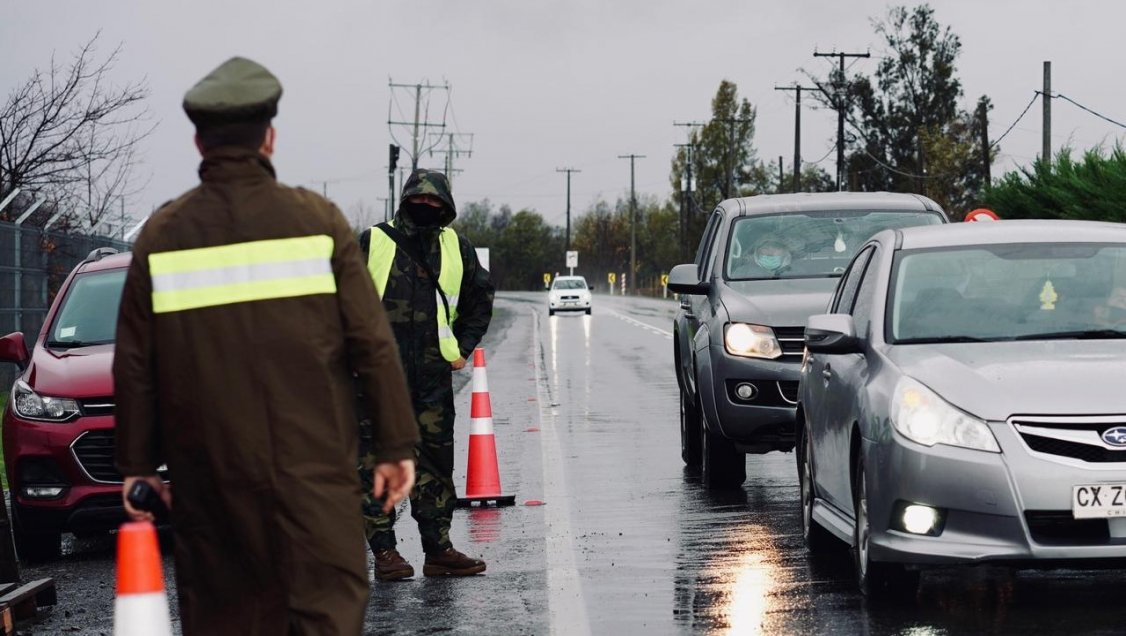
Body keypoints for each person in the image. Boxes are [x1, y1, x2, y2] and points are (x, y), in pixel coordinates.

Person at [113, 57, 419, 635]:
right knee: (325, 613)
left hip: (211, 486)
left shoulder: (163, 236)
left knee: (228, 618)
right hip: (315, 481)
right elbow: (372, 344)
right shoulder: (318, 223)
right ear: (269, 138)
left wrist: (136, 467)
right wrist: (396, 447)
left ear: (199, 141)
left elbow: (135, 364)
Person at [358, 169, 495, 580]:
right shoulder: (373, 242)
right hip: (377, 380)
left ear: (447, 206)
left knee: (435, 464)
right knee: (376, 463)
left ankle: (438, 550)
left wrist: (462, 348)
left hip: (433, 380)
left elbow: (479, 300)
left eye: (437, 203)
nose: (428, 208)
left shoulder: (457, 247)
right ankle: (385, 554)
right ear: (406, 200)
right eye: (422, 200)